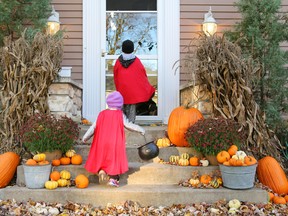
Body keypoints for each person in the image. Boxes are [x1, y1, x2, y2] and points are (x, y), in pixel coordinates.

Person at [82, 91, 145, 187]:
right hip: (114, 143)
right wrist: (140, 129)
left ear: (108, 102)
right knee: (113, 161)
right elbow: (128, 125)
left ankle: (102, 171)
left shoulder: (101, 114)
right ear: (120, 104)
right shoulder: (120, 114)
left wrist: (85, 137)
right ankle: (113, 179)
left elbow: (93, 128)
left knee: (102, 158)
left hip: (101, 142)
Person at [113, 39, 156, 123]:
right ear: (132, 49)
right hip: (133, 93)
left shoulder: (118, 62)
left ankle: (121, 127)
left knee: (121, 111)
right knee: (131, 112)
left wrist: (118, 88)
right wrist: (148, 89)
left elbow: (116, 76)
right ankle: (130, 126)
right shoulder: (136, 61)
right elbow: (142, 76)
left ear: (122, 49)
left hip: (122, 91)